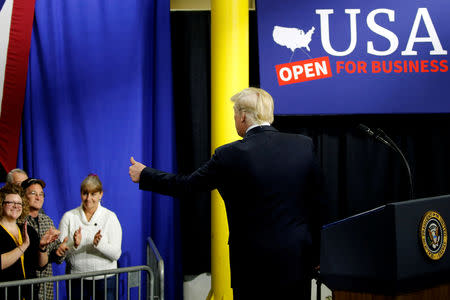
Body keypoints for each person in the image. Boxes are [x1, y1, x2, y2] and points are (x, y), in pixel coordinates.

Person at [129, 87, 323, 299]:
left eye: (234, 114)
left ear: (241, 116)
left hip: (251, 267)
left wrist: (145, 174)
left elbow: (186, 186)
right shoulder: (303, 146)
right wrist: (319, 254)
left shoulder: (229, 155)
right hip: (296, 261)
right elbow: (319, 203)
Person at [58, 174, 122, 300]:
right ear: (80, 193)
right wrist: (74, 244)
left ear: (101, 194)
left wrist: (99, 244)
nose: (88, 198)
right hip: (76, 279)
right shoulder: (69, 217)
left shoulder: (110, 217)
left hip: (106, 278)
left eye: (93, 194)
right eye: (85, 193)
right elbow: (60, 254)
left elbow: (116, 254)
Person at [0, 183, 60, 300]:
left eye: (19, 203)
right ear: (1, 204)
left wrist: (42, 247)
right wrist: (23, 246)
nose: (16, 206)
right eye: (10, 202)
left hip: (30, 294)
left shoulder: (28, 230)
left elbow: (41, 265)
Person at [21, 178, 69, 300]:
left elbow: (56, 257)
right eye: (33, 193)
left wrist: (60, 251)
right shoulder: (19, 222)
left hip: (46, 288)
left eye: (41, 194)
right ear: (23, 196)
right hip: (25, 289)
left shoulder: (47, 220)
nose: (38, 197)